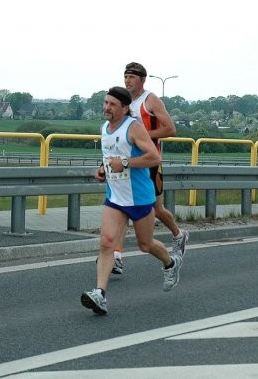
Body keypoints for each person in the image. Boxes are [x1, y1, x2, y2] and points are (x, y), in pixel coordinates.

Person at [81, 86, 182, 315]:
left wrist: (125, 163)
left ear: (125, 108)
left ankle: (171, 263)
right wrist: (102, 169)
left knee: (145, 245)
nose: (107, 107)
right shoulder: (104, 128)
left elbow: (154, 157)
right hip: (115, 197)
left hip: (139, 198)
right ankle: (100, 294)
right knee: (106, 242)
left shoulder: (133, 127)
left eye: (112, 104)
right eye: (105, 103)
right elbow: (110, 156)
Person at [106, 61, 189, 275]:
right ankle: (117, 257)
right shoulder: (123, 102)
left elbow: (170, 129)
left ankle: (178, 234)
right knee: (122, 207)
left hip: (149, 162)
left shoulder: (150, 100)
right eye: (125, 77)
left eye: (132, 77)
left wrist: (139, 135)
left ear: (142, 80)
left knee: (157, 209)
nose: (127, 81)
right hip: (127, 163)